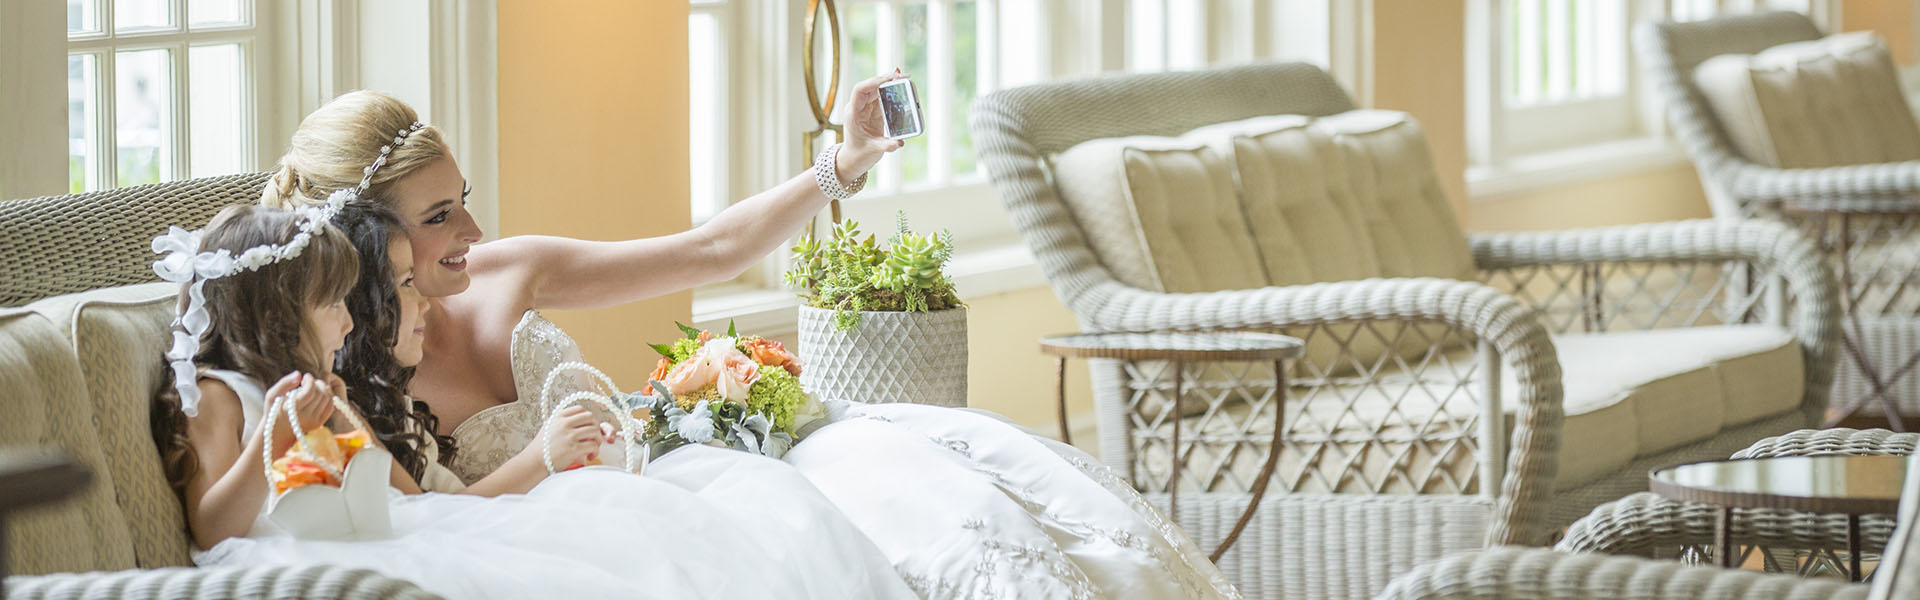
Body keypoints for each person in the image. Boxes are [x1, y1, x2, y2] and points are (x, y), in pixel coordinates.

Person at [260, 71, 1237, 597]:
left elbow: (712, 248)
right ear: (365, 235)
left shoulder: (508, 265)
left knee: (951, 478)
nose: (472, 231)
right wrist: (549, 464)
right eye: (438, 219)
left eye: (464, 201)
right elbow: (416, 526)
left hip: (679, 473)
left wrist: (842, 165)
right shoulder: (346, 372)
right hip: (606, 545)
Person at [151, 201, 913, 599]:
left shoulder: (334, 397)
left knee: (646, 536)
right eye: (331, 306)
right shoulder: (221, 398)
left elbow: (418, 500)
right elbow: (211, 526)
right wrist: (271, 444)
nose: (349, 323)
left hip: (417, 530)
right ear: (275, 312)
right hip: (321, 566)